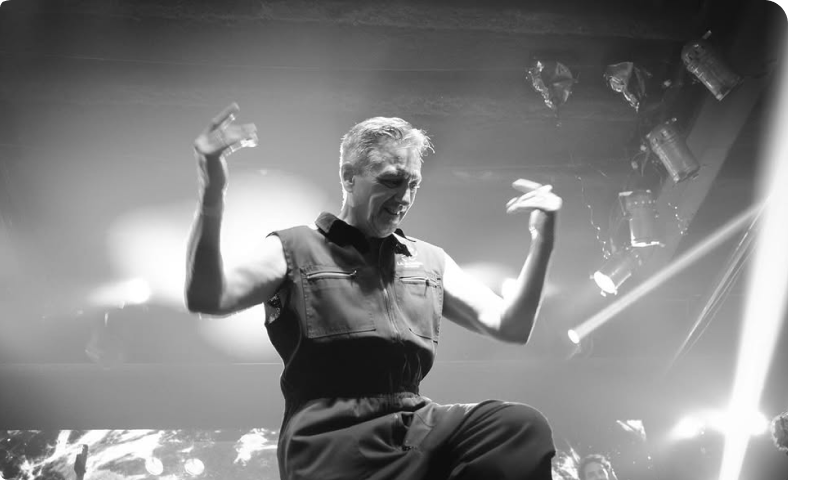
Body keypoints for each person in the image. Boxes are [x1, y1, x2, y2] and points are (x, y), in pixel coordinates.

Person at [186, 103, 562, 479]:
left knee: (517, 426)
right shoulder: (293, 247)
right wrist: (212, 191)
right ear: (349, 178)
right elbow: (208, 297)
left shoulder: (429, 260)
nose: (404, 197)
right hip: (330, 440)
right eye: (391, 181)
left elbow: (511, 326)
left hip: (413, 428)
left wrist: (542, 240)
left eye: (413, 184)